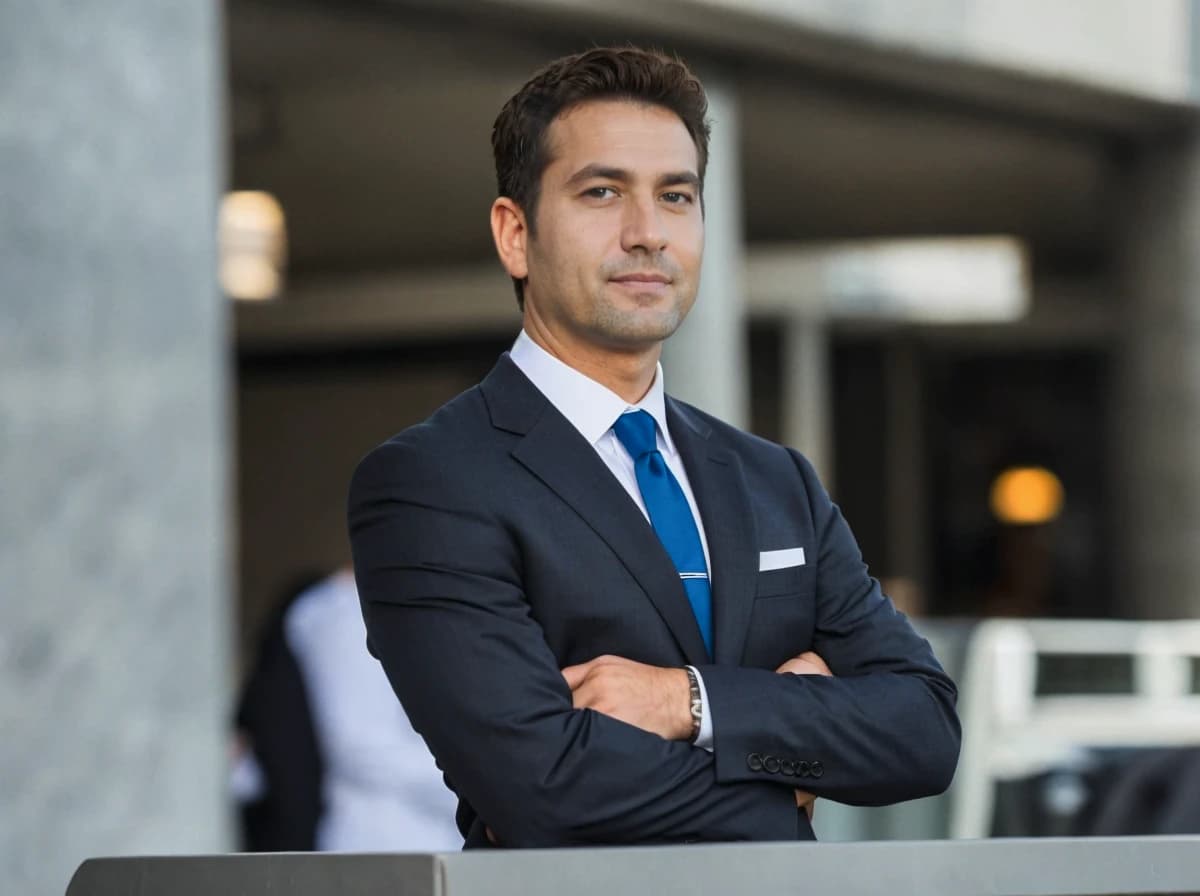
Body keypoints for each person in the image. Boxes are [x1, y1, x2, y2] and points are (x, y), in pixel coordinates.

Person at [348, 46, 960, 849]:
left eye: (676, 196)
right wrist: (798, 766)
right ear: (515, 234)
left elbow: (923, 730)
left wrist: (694, 703)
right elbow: (545, 788)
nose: (647, 234)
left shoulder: (775, 481)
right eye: (601, 192)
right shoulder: (432, 483)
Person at [234, 568, 462, 852]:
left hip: (435, 835)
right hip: (378, 841)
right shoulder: (342, 610)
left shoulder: (436, 599)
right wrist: (476, 783)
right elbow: (362, 746)